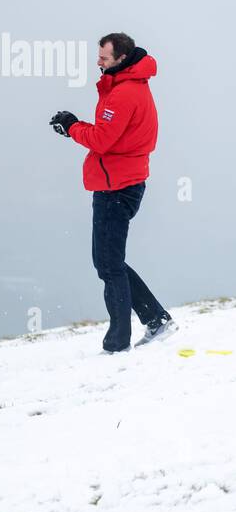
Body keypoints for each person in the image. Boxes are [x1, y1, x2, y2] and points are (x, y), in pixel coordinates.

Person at [50, 33, 175, 353]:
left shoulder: (124, 93)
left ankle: (118, 342)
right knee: (108, 261)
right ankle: (156, 320)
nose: (99, 62)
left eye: (104, 57)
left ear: (122, 58)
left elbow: (103, 140)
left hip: (117, 187)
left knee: (109, 264)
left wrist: (72, 125)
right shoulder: (130, 87)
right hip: (120, 183)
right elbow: (113, 136)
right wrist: (76, 127)